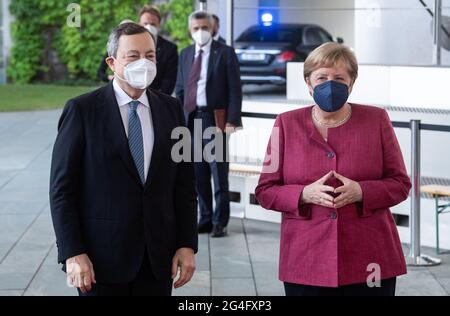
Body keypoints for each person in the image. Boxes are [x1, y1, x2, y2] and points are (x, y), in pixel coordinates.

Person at [50, 22, 197, 296]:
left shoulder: (173, 109)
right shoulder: (82, 111)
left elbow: (185, 186)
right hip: (100, 263)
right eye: (133, 55)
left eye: (150, 55)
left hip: (157, 261)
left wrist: (187, 244)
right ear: (112, 62)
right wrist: (72, 253)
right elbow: (62, 190)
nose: (144, 62)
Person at [255, 42, 411, 296]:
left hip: (370, 258)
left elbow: (400, 183)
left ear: (351, 83)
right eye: (322, 77)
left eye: (339, 78)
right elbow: (265, 190)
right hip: (306, 259)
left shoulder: (377, 120)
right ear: (308, 83)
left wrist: (362, 191)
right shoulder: (285, 124)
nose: (330, 84)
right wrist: (304, 194)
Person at [175, 11, 242, 238]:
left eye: (204, 27)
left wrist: (233, 121)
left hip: (215, 120)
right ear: (190, 30)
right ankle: (204, 218)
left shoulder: (225, 53)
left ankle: (219, 221)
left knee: (218, 173)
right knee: (197, 174)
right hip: (191, 120)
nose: (200, 32)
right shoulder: (184, 54)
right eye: (195, 28)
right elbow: (181, 89)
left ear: (213, 28)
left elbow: (235, 90)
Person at [97, 5, 179, 95]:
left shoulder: (170, 48)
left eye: (150, 55)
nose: (149, 27)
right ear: (139, 24)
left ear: (159, 24)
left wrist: (158, 99)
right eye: (133, 55)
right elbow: (101, 71)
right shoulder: (124, 44)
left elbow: (169, 80)